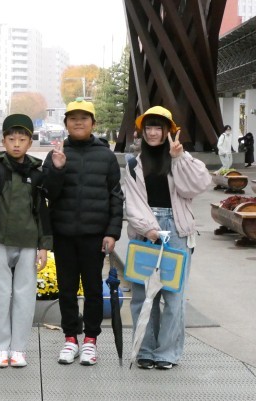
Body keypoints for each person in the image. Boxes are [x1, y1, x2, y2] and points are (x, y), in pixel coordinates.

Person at [124, 106, 211, 369]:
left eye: (158, 128)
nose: (152, 133)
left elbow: (197, 186)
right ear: (142, 131)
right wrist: (149, 229)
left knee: (174, 296)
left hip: (176, 229)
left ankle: (167, 352)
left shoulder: (180, 157)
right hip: (145, 231)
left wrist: (179, 158)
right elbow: (133, 203)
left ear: (168, 131)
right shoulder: (133, 164)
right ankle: (145, 349)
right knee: (142, 295)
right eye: (148, 128)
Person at [42, 98, 124, 366]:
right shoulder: (56, 154)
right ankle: (70, 339)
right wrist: (57, 168)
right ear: (66, 124)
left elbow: (115, 196)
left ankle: (90, 340)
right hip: (64, 234)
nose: (78, 122)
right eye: (73, 118)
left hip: (94, 236)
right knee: (66, 290)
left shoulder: (106, 156)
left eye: (84, 118)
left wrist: (112, 232)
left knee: (93, 290)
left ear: (93, 124)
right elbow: (48, 193)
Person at [0, 114, 55, 368]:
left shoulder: (37, 173)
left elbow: (42, 210)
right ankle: (0, 348)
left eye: (22, 139)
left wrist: (44, 246)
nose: (16, 144)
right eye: (11, 139)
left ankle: (18, 349)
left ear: (30, 142)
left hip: (28, 241)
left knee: (24, 296)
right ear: (3, 140)